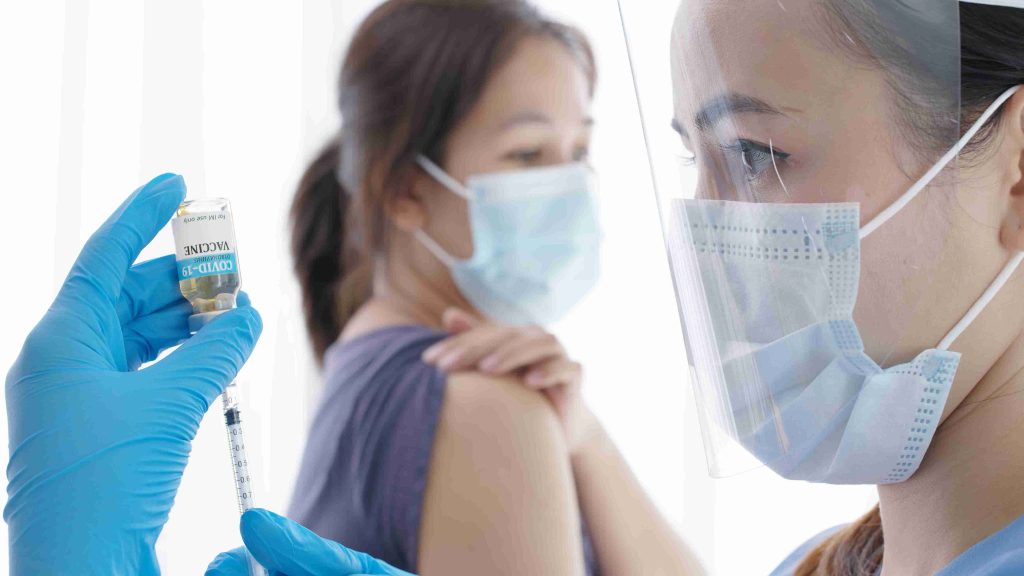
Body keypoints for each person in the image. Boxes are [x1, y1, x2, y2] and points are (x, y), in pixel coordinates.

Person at [284, 0, 702, 574]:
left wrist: (587, 439)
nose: (571, 184)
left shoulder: (366, 358)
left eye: (578, 151)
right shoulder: (484, 405)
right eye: (528, 153)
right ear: (405, 190)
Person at [642, 0, 1024, 574]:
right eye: (692, 157)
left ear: (1017, 170)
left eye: (753, 154)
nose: (704, 233)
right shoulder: (820, 562)